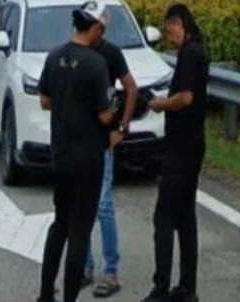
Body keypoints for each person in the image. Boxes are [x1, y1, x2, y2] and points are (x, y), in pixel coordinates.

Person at [36, 0, 125, 302]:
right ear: (95, 28)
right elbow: (103, 116)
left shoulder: (54, 56)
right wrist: (114, 107)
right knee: (81, 228)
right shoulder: (95, 63)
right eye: (102, 29)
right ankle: (70, 298)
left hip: (60, 151)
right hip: (89, 156)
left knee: (60, 222)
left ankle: (46, 292)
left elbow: (44, 101)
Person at [140, 4, 209, 302]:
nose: (169, 36)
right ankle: (187, 288)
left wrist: (160, 104)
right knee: (185, 216)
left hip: (182, 147)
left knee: (164, 216)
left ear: (179, 23)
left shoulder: (191, 54)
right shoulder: (195, 52)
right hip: (191, 143)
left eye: (169, 30)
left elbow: (185, 97)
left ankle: (161, 286)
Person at [82, 38, 138, 298]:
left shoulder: (111, 52)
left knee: (102, 205)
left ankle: (111, 272)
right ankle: (84, 267)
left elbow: (131, 87)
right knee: (80, 204)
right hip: (80, 139)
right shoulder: (75, 51)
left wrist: (122, 127)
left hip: (104, 138)